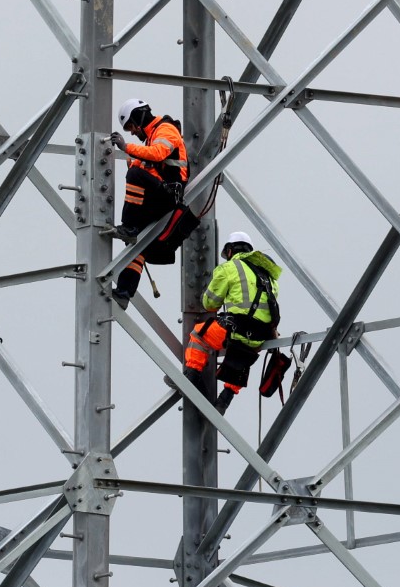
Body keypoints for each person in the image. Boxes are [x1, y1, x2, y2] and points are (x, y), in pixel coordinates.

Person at [110, 98, 198, 303]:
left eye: (131, 126)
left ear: (138, 117)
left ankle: (129, 226)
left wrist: (126, 147)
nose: (132, 132)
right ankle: (124, 292)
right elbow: (148, 161)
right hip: (159, 196)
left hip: (168, 194)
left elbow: (158, 154)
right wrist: (131, 156)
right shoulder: (151, 138)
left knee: (134, 175)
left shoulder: (165, 129)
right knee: (139, 245)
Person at [184, 232, 280, 414]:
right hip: (259, 338)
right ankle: (225, 399)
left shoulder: (230, 267)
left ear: (230, 250)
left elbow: (210, 303)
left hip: (236, 329)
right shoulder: (269, 277)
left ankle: (190, 375)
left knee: (199, 335)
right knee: (242, 356)